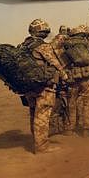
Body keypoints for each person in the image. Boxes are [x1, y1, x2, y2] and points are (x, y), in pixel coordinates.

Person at [21, 19, 69, 153]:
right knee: (42, 114)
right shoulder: (43, 46)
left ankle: (36, 140)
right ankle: (41, 146)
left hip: (29, 86)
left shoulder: (24, 45)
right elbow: (56, 63)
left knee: (33, 112)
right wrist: (65, 76)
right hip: (44, 86)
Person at [64, 25, 89, 137]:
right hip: (86, 79)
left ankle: (70, 129)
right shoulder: (85, 45)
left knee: (71, 103)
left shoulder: (66, 45)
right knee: (88, 103)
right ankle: (86, 130)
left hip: (71, 80)